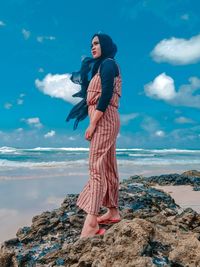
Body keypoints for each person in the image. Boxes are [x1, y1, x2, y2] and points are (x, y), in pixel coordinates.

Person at [69, 33, 122, 238]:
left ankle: (91, 221)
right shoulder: (102, 66)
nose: (93, 47)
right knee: (107, 165)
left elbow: (106, 94)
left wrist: (93, 123)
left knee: (96, 167)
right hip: (107, 118)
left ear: (106, 45)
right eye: (91, 44)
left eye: (97, 43)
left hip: (104, 118)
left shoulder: (108, 64)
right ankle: (113, 212)